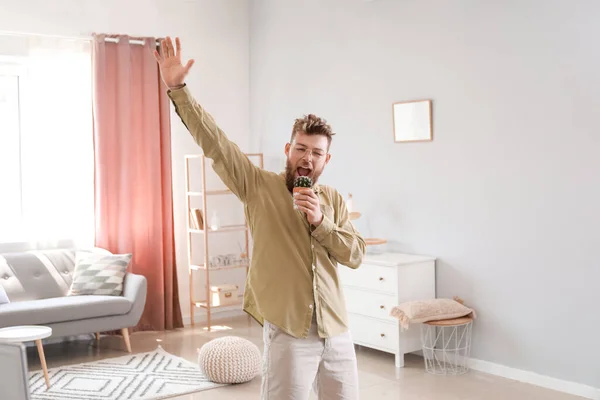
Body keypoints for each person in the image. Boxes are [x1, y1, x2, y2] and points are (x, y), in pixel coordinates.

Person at [154, 36, 366, 400]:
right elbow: (216, 143)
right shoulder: (257, 186)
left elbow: (355, 254)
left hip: (337, 329)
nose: (307, 158)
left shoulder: (331, 199)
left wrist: (320, 223)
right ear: (288, 150)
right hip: (288, 330)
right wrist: (179, 90)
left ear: (326, 161)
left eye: (317, 153)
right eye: (301, 148)